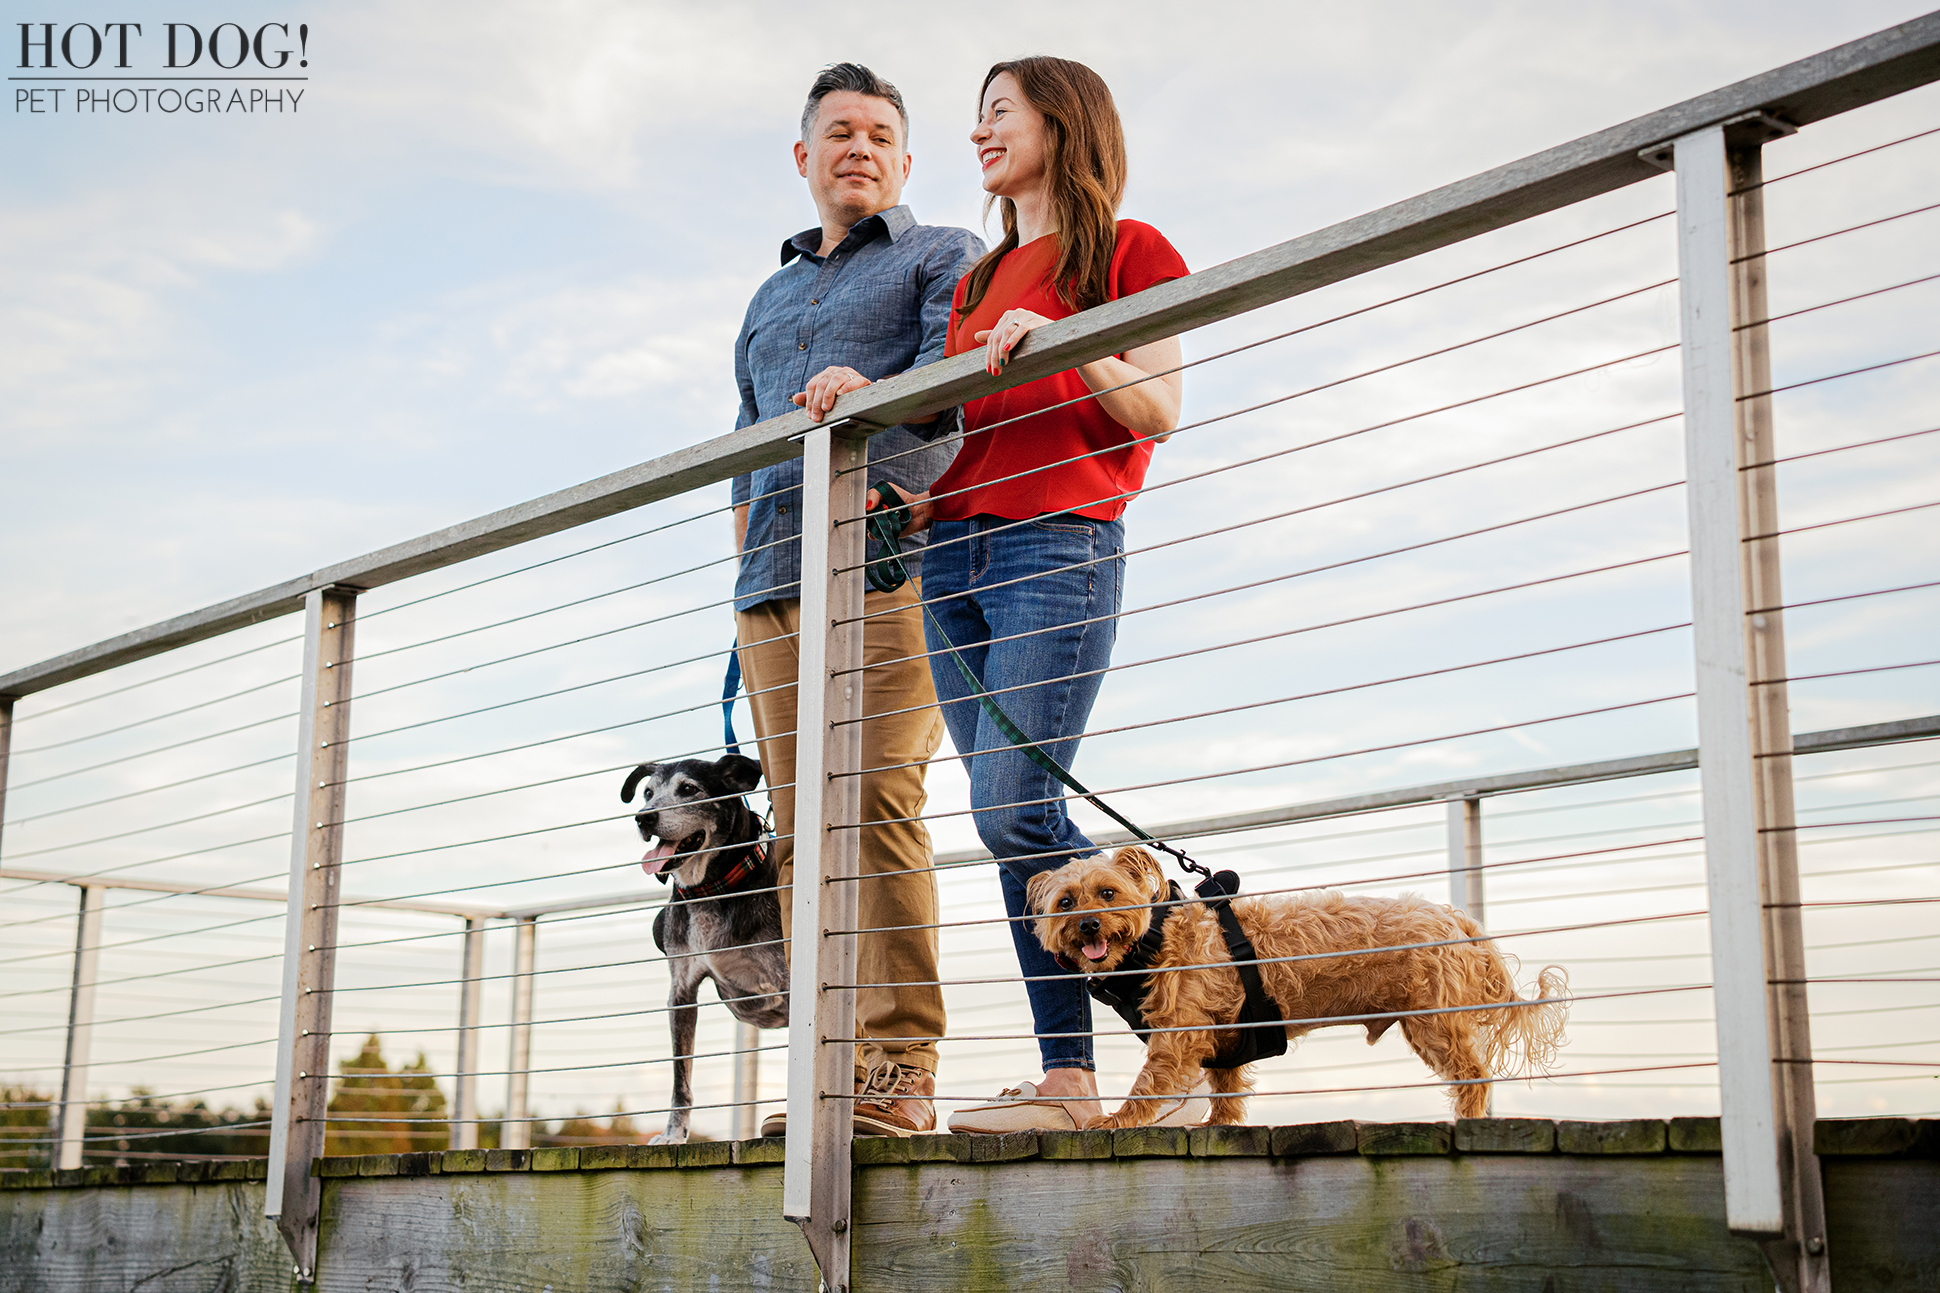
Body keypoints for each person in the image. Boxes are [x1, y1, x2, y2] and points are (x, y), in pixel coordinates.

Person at [924, 57, 1190, 1133]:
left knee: (1013, 808)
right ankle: (1074, 1082)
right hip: (947, 557)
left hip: (1056, 547)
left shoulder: (1132, 250)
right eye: (974, 116)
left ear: (1060, 121)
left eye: (1000, 111)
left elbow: (1159, 407)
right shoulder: (973, 282)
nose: (979, 131)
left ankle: (1172, 1048)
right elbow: (955, 426)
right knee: (1006, 826)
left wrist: (1067, 353)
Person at [729, 64, 984, 1138]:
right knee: (797, 831)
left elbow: (953, 394)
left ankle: (895, 1069)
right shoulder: (767, 295)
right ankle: (824, 1072)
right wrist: (740, 562)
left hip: (885, 566)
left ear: (905, 160)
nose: (859, 149)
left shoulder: (941, 255)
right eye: (838, 133)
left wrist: (871, 418)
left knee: (876, 801)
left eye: (879, 134)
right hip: (769, 585)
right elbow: (743, 448)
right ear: (804, 156)